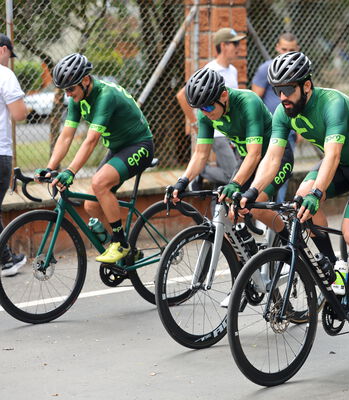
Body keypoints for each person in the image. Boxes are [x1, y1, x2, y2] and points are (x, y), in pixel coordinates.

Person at [239, 52, 349, 342]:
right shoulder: (283, 112)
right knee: (300, 198)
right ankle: (333, 264)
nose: (282, 96)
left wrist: (318, 193)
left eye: (288, 89)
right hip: (342, 163)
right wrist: (251, 191)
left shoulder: (332, 103)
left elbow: (333, 154)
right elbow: (272, 158)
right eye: (277, 90)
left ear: (306, 86)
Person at [35, 53, 154, 264]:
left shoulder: (105, 96)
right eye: (65, 90)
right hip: (117, 148)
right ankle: (126, 251)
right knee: (91, 206)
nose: (68, 95)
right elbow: (66, 136)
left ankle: (120, 243)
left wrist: (70, 172)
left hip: (139, 145)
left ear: (86, 81)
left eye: (71, 89)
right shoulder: (77, 98)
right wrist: (50, 167)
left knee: (99, 184)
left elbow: (90, 141)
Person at [169, 67, 293, 239]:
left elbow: (255, 154)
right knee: (224, 212)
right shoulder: (206, 115)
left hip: (276, 158)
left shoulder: (248, 102)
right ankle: (243, 260)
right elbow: (200, 155)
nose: (205, 112)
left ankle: (290, 242)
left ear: (224, 96)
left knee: (255, 207)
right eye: (200, 108)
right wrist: (182, 181)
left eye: (208, 106)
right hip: (247, 160)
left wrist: (234, 184)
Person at [175, 28, 246, 190]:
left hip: (231, 132)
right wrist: (194, 123)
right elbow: (182, 95)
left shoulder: (233, 70)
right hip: (217, 133)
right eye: (234, 43)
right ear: (223, 46)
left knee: (234, 173)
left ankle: (218, 211)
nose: (238, 47)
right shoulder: (210, 69)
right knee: (232, 175)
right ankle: (201, 172)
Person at [251, 32, 300, 203]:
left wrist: (299, 131)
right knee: (264, 172)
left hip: (289, 132)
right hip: (268, 132)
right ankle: (261, 214)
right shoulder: (266, 69)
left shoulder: (299, 71)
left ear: (297, 50)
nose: (286, 53)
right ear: (277, 48)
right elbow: (255, 100)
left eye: (291, 50)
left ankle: (274, 220)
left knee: (282, 177)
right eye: (284, 49)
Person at [0, 34, 28, 277]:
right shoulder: (4, 74)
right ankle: (6, 260)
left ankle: (6, 258)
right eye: (9, 54)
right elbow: (19, 113)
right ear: (3, 51)